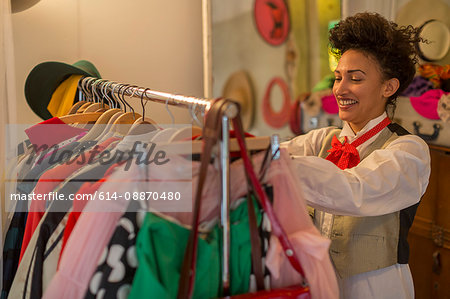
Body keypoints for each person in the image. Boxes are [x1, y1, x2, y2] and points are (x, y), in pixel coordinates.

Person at [281, 12, 431, 299]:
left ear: (389, 87)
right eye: (338, 77)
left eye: (355, 78)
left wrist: (276, 164)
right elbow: (277, 152)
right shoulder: (321, 140)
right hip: (319, 285)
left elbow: (354, 190)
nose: (340, 89)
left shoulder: (408, 151)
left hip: (377, 286)